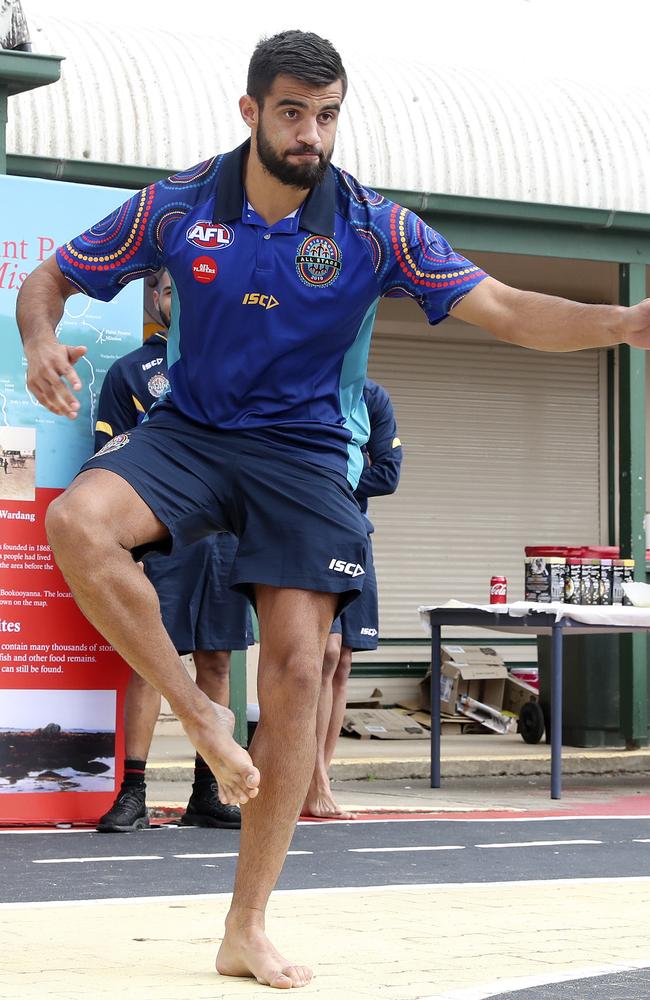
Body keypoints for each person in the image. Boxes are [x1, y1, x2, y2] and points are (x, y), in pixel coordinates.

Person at [16, 29, 650, 989]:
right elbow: (47, 279)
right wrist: (40, 340)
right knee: (75, 523)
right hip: (192, 432)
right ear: (251, 113)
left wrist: (625, 322)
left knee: (300, 665)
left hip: (309, 453)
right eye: (292, 113)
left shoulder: (375, 228)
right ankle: (201, 715)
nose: (311, 134)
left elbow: (511, 310)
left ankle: (247, 925)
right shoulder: (178, 205)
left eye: (327, 115)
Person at [95, 269, 253, 832]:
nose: (178, 299)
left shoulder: (239, 362)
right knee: (150, 661)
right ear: (154, 297)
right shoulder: (131, 371)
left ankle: (208, 793)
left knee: (216, 660)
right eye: (168, 289)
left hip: (228, 542)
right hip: (163, 540)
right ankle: (132, 791)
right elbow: (108, 463)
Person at [303, 378, 402, 820]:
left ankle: (321, 775)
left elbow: (389, 473)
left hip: (353, 535)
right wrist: (345, 466)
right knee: (321, 654)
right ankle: (311, 781)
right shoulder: (305, 384)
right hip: (304, 532)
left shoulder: (372, 397)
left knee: (342, 660)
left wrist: (327, 470)